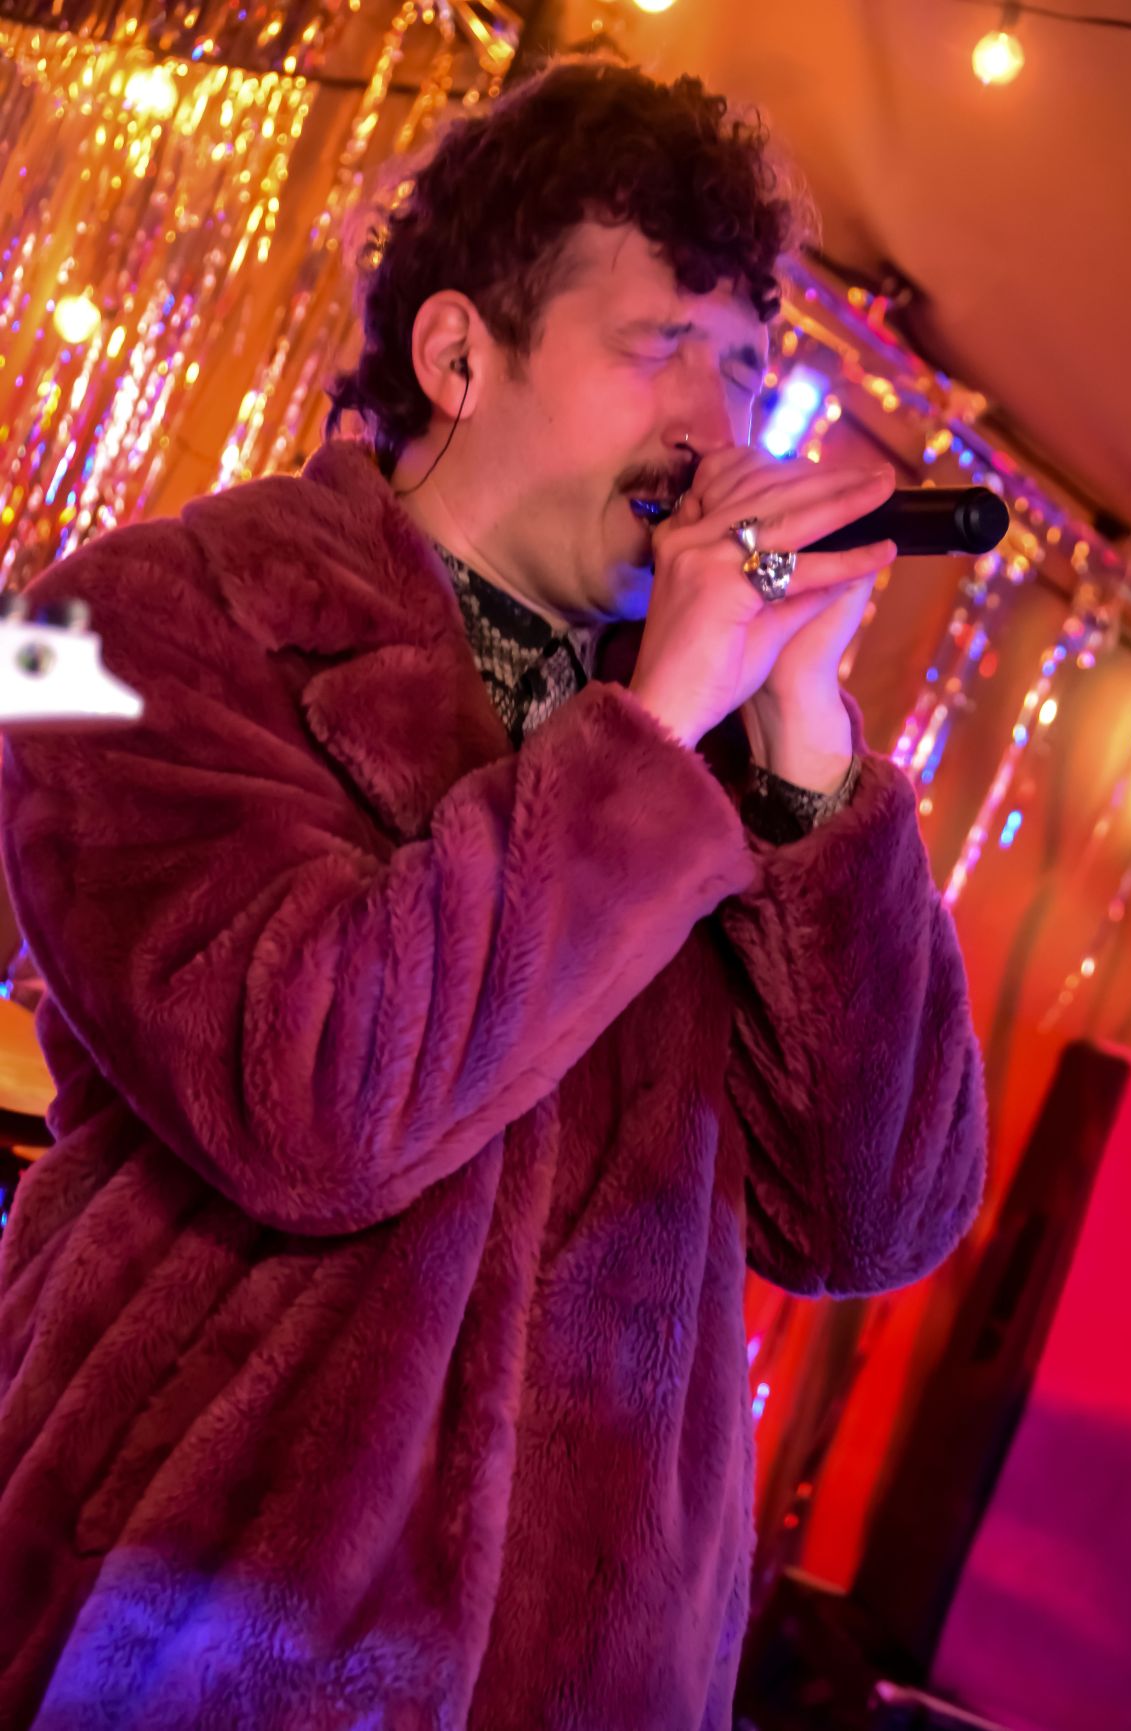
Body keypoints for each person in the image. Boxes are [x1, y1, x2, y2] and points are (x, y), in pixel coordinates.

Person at [0, 57, 987, 1731]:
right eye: (659, 344)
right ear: (460, 356)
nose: (716, 427)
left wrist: (803, 743)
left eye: (746, 369)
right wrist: (652, 733)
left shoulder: (723, 746)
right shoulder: (113, 626)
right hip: (194, 1648)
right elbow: (315, 1109)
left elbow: (875, 1219)